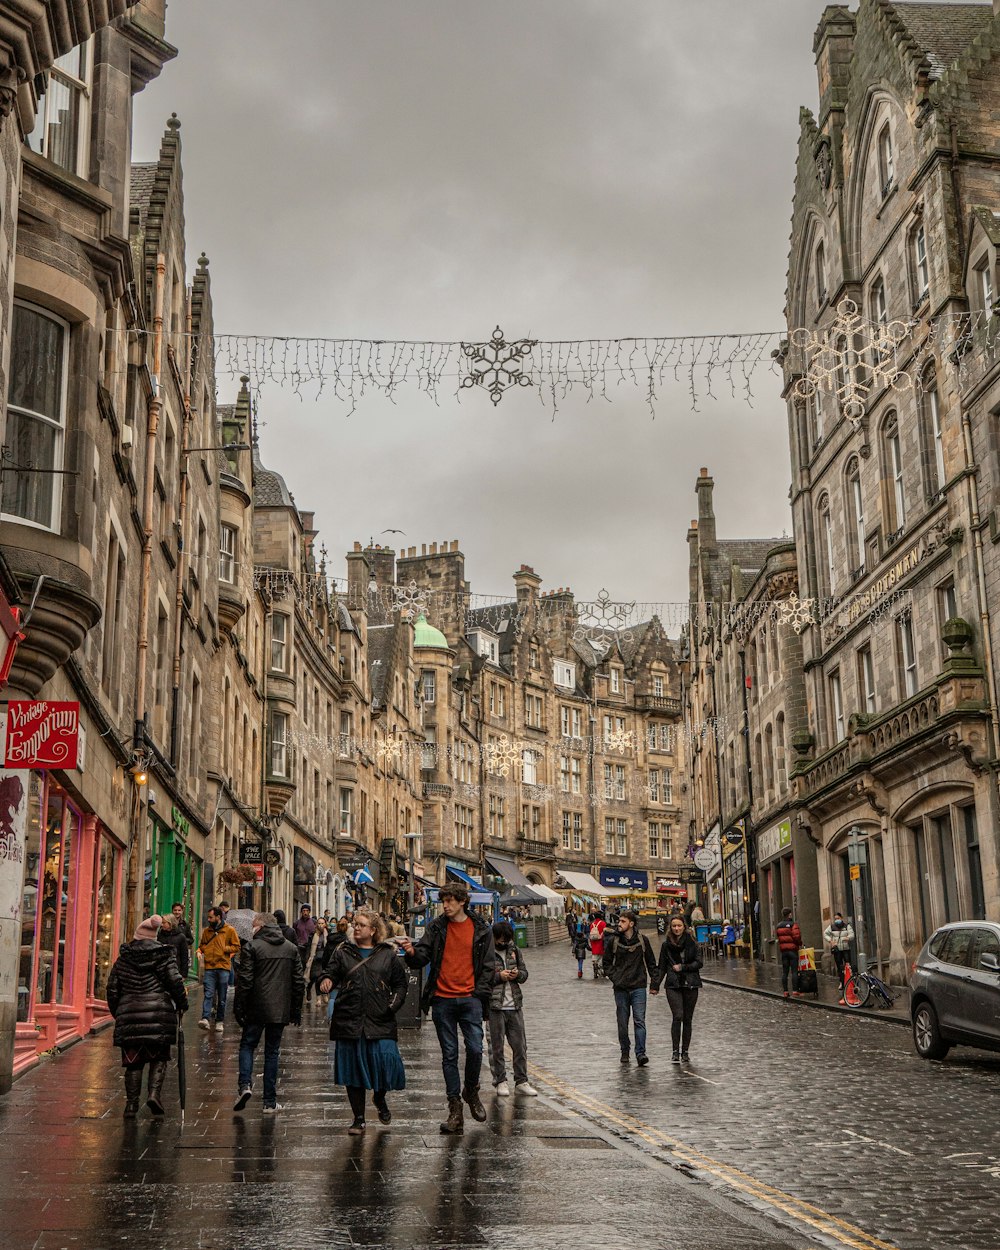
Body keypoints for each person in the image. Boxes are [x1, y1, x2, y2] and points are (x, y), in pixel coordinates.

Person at [400, 883, 497, 1135]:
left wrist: (479, 995)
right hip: (442, 999)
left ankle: (471, 1090)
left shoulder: (481, 930)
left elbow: (488, 966)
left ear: (463, 901)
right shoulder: (436, 927)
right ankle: (455, 1109)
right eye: (444, 901)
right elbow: (421, 957)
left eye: (451, 901)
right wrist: (411, 952)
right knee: (449, 1055)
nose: (446, 905)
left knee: (476, 1048)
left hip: (470, 999)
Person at [320, 907, 408, 1134]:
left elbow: (400, 984)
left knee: (385, 1063)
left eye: (361, 925)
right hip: (349, 1018)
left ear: (373, 930)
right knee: (353, 1071)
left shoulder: (387, 954)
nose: (355, 927)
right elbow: (329, 972)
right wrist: (327, 980)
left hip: (380, 1018)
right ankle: (358, 1118)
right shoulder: (343, 952)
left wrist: (392, 1006)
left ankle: (379, 1098)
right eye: (355, 924)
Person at [106, 915, 188, 1118]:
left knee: (133, 1061)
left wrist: (119, 1012)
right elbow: (175, 983)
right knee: (158, 1057)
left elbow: (112, 990)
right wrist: (182, 1005)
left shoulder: (123, 959)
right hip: (158, 1014)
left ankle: (131, 1105)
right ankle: (153, 1094)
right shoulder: (163, 956)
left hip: (129, 1013)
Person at [233, 911, 304, 1114]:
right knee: (272, 1052)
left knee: (247, 1045)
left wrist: (239, 1007)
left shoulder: (251, 947)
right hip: (279, 1008)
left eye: (254, 925)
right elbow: (298, 981)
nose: (251, 928)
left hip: (256, 1006)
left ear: (262, 926)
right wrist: (295, 1010)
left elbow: (245, 981)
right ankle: (269, 1102)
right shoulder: (291, 948)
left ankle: (245, 1085)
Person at [487, 921, 536, 1097]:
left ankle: (521, 1081)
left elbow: (524, 973)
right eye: (500, 940)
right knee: (497, 1047)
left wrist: (518, 975)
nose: (503, 943)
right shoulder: (487, 951)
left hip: (514, 1004)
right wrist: (499, 976)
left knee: (520, 1046)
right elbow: (480, 977)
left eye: (506, 940)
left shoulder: (514, 950)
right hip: (495, 1006)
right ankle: (500, 1080)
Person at [602, 909, 657, 1065]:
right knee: (622, 1022)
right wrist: (615, 978)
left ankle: (640, 1053)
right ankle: (625, 1051)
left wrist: (654, 984)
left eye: (623, 921)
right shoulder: (614, 941)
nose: (619, 924)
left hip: (638, 986)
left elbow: (652, 963)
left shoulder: (642, 940)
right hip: (621, 988)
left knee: (639, 1021)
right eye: (619, 921)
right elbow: (606, 963)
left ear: (631, 924)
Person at [651, 915, 703, 1062]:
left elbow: (699, 963)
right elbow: (661, 967)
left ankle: (685, 1052)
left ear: (684, 926)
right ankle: (675, 1051)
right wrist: (655, 985)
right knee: (678, 1015)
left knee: (687, 1018)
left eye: (679, 925)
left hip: (691, 983)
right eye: (674, 926)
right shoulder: (666, 945)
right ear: (670, 927)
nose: (676, 928)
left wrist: (683, 967)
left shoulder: (692, 942)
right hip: (673, 984)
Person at [197, 906, 241, 1031]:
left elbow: (236, 946)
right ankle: (205, 1018)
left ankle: (219, 1021)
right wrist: (203, 951)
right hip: (210, 966)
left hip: (223, 967)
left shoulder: (229, 930)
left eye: (211, 917)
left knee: (222, 997)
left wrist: (224, 949)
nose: (209, 919)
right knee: (209, 993)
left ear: (218, 917)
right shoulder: (207, 931)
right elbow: (203, 944)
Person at [824, 911, 855, 1003]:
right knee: (839, 966)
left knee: (848, 965)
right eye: (835, 919)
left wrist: (848, 938)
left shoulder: (847, 926)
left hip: (845, 949)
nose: (837, 920)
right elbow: (825, 933)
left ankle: (849, 982)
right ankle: (841, 982)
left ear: (841, 918)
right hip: (837, 949)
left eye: (838, 918)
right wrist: (830, 941)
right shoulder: (832, 927)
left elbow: (852, 934)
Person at [776, 907, 803, 998]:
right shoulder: (793, 925)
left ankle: (785, 991)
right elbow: (797, 937)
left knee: (785, 971)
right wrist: (799, 944)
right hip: (792, 950)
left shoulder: (779, 926)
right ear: (790, 914)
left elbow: (779, 938)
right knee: (794, 971)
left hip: (784, 951)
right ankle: (795, 990)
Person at [303, 917, 327, 1004]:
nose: (320, 925)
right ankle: (308, 989)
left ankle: (318, 998)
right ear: (316, 924)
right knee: (313, 978)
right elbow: (309, 947)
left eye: (322, 923)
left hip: (323, 959)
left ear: (325, 924)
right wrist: (307, 958)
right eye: (319, 923)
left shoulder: (327, 934)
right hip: (314, 958)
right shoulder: (313, 934)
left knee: (319, 978)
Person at [158, 915, 190, 979]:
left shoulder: (181, 937)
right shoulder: (159, 935)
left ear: (170, 923)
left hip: (175, 970)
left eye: (164, 923)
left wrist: (184, 974)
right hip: (161, 971)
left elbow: (184, 956)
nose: (162, 925)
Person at [169, 902, 194, 971]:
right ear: (172, 911)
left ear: (182, 911)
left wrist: (183, 941)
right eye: (175, 910)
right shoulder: (167, 923)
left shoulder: (185, 925)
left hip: (181, 954)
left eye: (179, 910)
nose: (177, 912)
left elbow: (191, 939)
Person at [589, 912, 607, 979]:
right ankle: (601, 972)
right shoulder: (603, 923)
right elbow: (605, 932)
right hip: (601, 942)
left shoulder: (592, 924)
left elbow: (590, 934)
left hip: (594, 942)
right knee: (601, 958)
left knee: (595, 958)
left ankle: (595, 972)